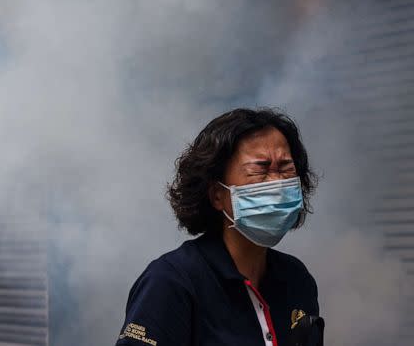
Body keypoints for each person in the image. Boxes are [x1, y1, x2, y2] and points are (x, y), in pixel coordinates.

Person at [115, 108, 320, 346]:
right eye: (260, 169)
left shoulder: (296, 279)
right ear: (217, 195)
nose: (277, 183)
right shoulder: (172, 281)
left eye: (286, 168)